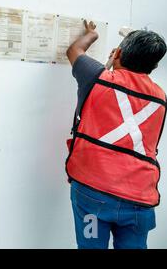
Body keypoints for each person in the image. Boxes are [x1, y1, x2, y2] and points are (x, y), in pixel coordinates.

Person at [65, 20, 167, 249]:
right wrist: (115, 64)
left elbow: (74, 51)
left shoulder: (95, 77)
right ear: (153, 67)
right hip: (139, 201)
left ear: (118, 52)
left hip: (93, 197)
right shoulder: (160, 98)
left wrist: (92, 34)